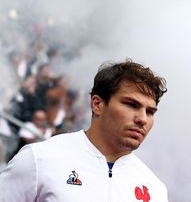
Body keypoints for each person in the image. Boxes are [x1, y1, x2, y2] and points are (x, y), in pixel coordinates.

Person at [0, 59, 168, 201]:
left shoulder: (155, 189)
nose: (143, 119)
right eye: (131, 105)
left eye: (150, 112)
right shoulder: (38, 159)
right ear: (97, 104)